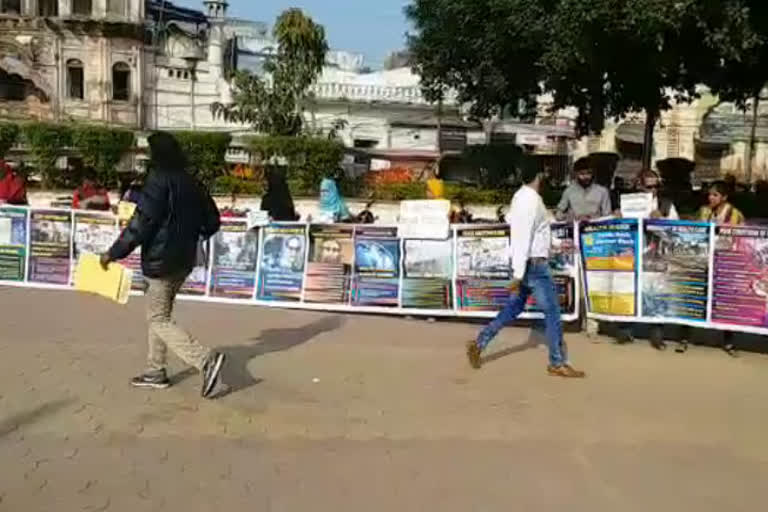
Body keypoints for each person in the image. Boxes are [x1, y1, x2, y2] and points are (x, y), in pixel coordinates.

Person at [100, 132, 225, 399]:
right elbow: (213, 221)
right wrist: (190, 234)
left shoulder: (158, 180)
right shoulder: (192, 182)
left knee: (157, 318)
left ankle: (206, 360)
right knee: (160, 317)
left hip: (161, 262)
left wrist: (113, 253)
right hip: (184, 260)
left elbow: (141, 224)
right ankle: (155, 371)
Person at [466, 159, 585, 378]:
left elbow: (536, 233)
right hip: (534, 266)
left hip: (530, 263)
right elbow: (523, 236)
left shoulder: (522, 198)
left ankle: (480, 342)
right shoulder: (530, 201)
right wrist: (518, 274)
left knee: (513, 309)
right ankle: (557, 362)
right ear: (540, 175)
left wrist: (559, 246)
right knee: (552, 314)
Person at [697, 181, 744, 356]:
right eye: (710, 194)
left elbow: (739, 238)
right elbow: (697, 231)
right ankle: (685, 335)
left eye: (715, 195)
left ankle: (728, 341)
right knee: (697, 296)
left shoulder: (735, 214)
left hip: (725, 261)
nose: (711, 197)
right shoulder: (704, 211)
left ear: (724, 197)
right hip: (705, 259)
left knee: (725, 302)